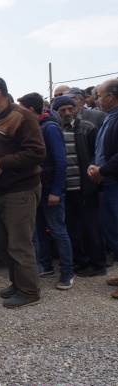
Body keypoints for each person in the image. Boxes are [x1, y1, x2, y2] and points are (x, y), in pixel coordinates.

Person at [0, 77, 45, 308]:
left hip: (21, 189)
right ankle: (18, 282)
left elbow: (37, 152)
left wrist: (2, 163)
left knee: (19, 243)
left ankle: (30, 292)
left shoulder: (22, 116)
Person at [17, 92, 74, 290]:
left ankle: (67, 272)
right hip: (37, 189)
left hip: (51, 190)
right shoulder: (35, 128)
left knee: (58, 230)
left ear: (30, 110)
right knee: (39, 230)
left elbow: (61, 162)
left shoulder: (49, 128)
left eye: (21, 110)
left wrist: (56, 191)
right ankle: (46, 265)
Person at [52, 95, 106, 277]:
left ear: (76, 109)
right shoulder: (55, 130)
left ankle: (98, 264)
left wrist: (97, 186)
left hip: (84, 188)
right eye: (62, 110)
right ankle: (81, 260)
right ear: (56, 112)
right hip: (65, 190)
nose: (67, 113)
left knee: (92, 228)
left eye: (70, 109)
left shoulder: (87, 128)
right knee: (72, 229)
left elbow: (97, 155)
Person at [87, 79, 118, 298]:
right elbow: (100, 149)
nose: (97, 100)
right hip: (108, 184)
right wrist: (93, 166)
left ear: (110, 96)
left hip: (114, 182)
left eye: (99, 95)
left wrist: (103, 170)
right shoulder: (109, 118)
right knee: (110, 229)